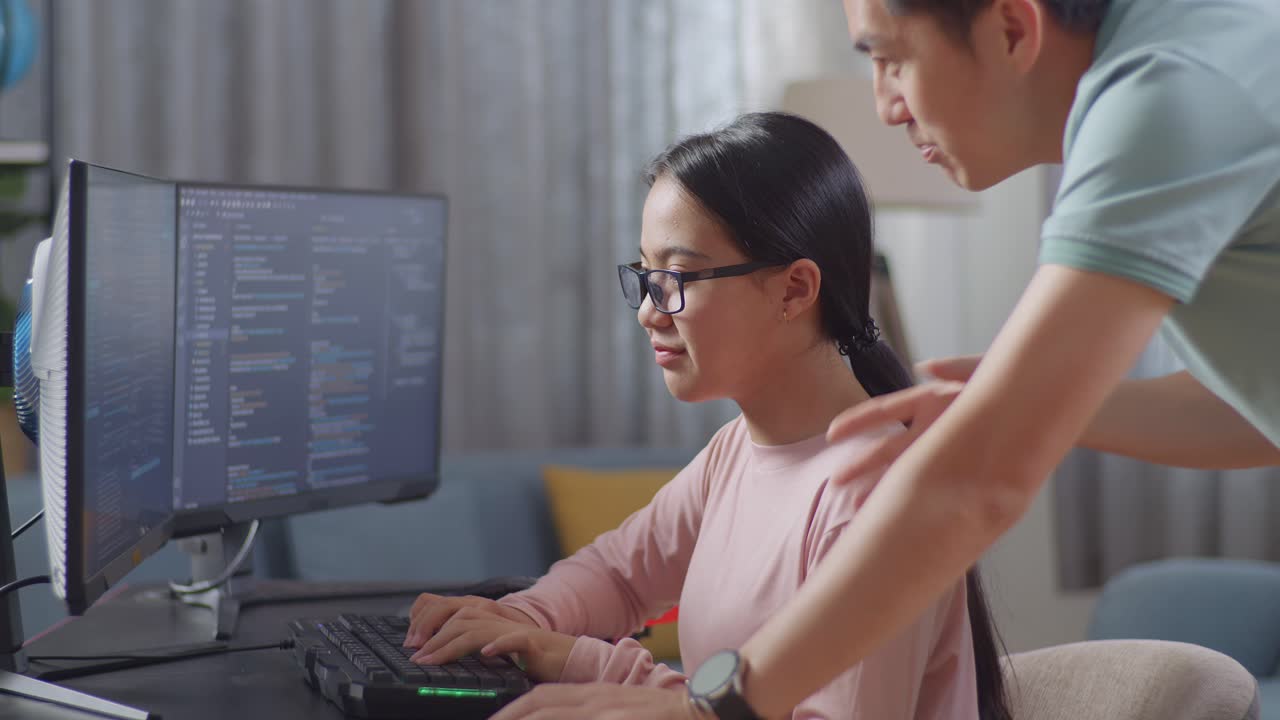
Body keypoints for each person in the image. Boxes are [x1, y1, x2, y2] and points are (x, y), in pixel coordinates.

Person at [488, 0, 1280, 718]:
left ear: (1012, 26)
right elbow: (1253, 413)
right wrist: (1023, 407)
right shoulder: (1201, 53)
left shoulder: (1164, 98)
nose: (884, 104)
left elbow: (977, 486)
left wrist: (710, 707)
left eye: (889, 56)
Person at [403, 112, 1013, 720]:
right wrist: (520, 619)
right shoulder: (735, 453)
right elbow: (620, 573)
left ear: (795, 290)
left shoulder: (870, 491)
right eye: (645, 275)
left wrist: (581, 662)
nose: (648, 310)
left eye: (678, 277)